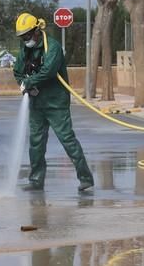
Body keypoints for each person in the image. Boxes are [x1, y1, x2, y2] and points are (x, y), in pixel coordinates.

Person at [13, 12, 94, 192]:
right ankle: (36, 180)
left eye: (27, 35)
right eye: (22, 37)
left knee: (67, 140)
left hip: (55, 103)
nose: (25, 39)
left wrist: (30, 82)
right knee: (36, 143)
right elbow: (18, 71)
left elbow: (49, 71)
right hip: (36, 103)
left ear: (36, 31)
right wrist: (23, 84)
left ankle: (86, 178)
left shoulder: (53, 47)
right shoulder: (25, 50)